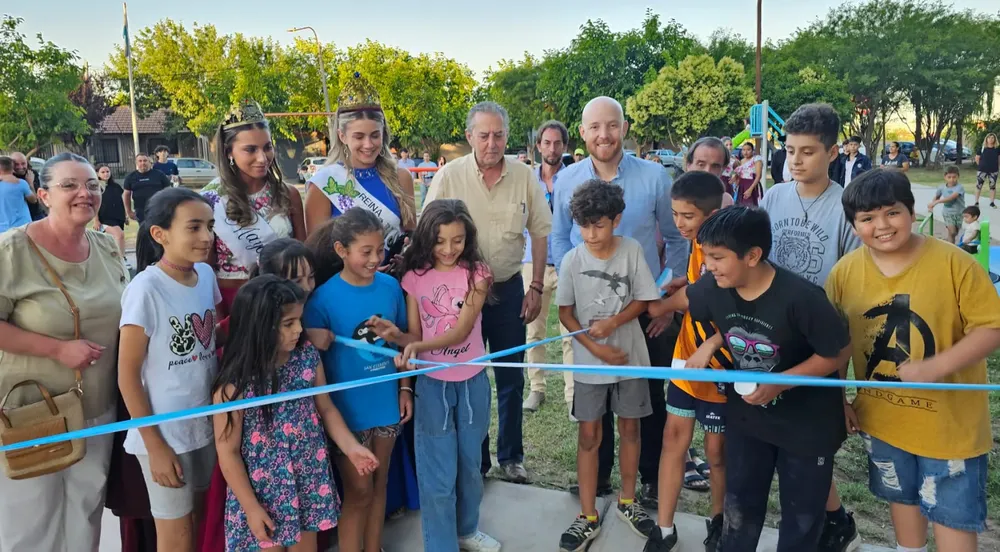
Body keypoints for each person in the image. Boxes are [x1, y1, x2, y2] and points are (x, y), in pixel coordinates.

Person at [830, 169, 1000, 552]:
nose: (882, 226)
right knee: (903, 501)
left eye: (892, 212)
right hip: (884, 422)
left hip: (950, 429)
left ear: (912, 211)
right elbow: (837, 342)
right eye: (867, 218)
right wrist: (838, 398)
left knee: (952, 517)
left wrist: (934, 367)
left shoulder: (955, 264)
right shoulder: (844, 273)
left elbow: (992, 328)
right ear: (853, 225)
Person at [685, 206, 851, 551]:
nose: (708, 265)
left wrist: (780, 382)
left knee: (801, 518)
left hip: (807, 425)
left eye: (717, 257)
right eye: (705, 255)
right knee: (739, 507)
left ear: (752, 255)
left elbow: (835, 353)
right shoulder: (712, 287)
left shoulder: (802, 298)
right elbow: (724, 318)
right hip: (748, 419)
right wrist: (712, 343)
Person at [552, 96, 687, 510]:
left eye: (612, 125)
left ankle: (649, 478)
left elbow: (676, 238)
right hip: (589, 313)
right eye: (595, 127)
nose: (604, 135)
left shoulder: (654, 176)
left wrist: (664, 299)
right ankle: (599, 477)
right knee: (595, 396)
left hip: (645, 310)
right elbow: (559, 237)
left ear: (624, 128)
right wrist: (573, 286)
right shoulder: (566, 179)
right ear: (582, 132)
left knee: (646, 398)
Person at [0, 153, 128, 551]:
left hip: (96, 408)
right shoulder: (12, 250)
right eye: (69, 185)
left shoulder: (106, 247)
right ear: (43, 195)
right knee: (31, 523)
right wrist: (56, 349)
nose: (84, 193)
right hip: (32, 411)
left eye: (91, 185)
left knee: (85, 515)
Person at [424, 101, 552, 484]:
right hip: (462, 297)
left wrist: (536, 286)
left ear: (507, 136)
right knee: (470, 378)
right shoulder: (449, 176)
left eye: (498, 135)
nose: (492, 143)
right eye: (484, 135)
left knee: (511, 377)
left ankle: (511, 457)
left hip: (510, 290)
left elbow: (540, 232)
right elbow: (429, 231)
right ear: (469, 136)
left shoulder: (524, 176)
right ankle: (477, 461)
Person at [370, 198, 501, 552]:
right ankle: (441, 545)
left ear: (468, 238)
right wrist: (398, 337)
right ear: (427, 238)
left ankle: (467, 530)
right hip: (432, 387)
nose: (448, 249)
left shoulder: (478, 274)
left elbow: (460, 332)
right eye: (440, 241)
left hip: (472, 384)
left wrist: (414, 345)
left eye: (457, 240)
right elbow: (415, 335)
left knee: (470, 467)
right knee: (437, 476)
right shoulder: (414, 278)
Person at [758, 103, 862, 551]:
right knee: (785, 438)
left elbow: (851, 290)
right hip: (774, 335)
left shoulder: (846, 207)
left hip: (821, 340)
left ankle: (834, 522)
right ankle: (835, 519)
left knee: (810, 443)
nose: (796, 160)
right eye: (790, 150)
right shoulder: (773, 197)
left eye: (808, 151)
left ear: (832, 152)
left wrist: (840, 383)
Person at [213, 275, 379, 552]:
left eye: (299, 320)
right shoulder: (234, 385)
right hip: (262, 494)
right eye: (288, 323)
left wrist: (352, 448)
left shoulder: (306, 356)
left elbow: (326, 408)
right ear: (259, 325)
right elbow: (227, 452)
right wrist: (251, 508)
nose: (299, 330)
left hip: (307, 480)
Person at [555, 180, 659, 551]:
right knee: (589, 436)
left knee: (631, 428)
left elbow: (644, 300)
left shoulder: (631, 251)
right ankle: (587, 514)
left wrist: (613, 323)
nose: (590, 234)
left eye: (598, 225)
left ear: (616, 220)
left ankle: (628, 501)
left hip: (630, 359)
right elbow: (565, 314)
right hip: (589, 365)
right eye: (583, 226)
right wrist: (595, 348)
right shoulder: (572, 260)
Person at [302, 208, 412, 552]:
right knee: (359, 491)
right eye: (366, 251)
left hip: (386, 402)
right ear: (341, 250)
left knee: (379, 485)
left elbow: (405, 343)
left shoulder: (391, 288)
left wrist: (405, 387)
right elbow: (308, 357)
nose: (376, 259)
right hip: (346, 412)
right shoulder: (322, 299)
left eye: (380, 250)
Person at [117, 188, 220, 552]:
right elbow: (128, 375)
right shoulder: (146, 289)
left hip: (205, 426)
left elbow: (209, 338)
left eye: (209, 226)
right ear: (160, 234)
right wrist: (155, 445)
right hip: (165, 435)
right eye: (193, 227)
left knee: (199, 523)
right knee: (176, 536)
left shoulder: (205, 275)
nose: (206, 236)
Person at [644, 172, 729, 552]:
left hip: (720, 368)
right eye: (675, 214)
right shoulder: (696, 245)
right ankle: (664, 528)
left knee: (717, 452)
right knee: (673, 439)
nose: (679, 223)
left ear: (711, 215)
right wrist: (683, 284)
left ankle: (719, 524)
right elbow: (694, 289)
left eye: (687, 216)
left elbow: (713, 301)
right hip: (684, 359)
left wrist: (660, 307)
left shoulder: (724, 250)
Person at [200, 98, 306, 317]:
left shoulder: (288, 194)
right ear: (229, 152)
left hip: (284, 302)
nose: (262, 158)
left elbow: (302, 257)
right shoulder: (209, 200)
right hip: (233, 304)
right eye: (250, 149)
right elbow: (204, 270)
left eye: (267, 147)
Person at [304, 72, 416, 267]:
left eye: (375, 135)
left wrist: (405, 256)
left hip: (393, 280)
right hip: (344, 283)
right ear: (342, 136)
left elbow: (411, 237)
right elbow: (317, 255)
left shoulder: (401, 177)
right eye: (359, 136)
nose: (368, 144)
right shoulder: (323, 184)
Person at [522, 120, 575, 416]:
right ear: (538, 146)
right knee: (534, 330)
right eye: (547, 143)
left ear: (564, 146)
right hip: (534, 263)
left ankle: (572, 395)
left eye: (557, 143)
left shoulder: (574, 178)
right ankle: (537, 388)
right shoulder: (527, 180)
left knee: (570, 333)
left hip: (567, 261)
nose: (552, 149)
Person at [684, 137, 735, 207]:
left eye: (715, 166)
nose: (707, 171)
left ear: (723, 168)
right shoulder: (674, 199)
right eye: (701, 164)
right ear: (688, 165)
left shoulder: (726, 202)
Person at [123, 153, 173, 223]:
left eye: (145, 160)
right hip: (140, 210)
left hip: (158, 208)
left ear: (149, 162)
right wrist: (129, 211)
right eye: (140, 161)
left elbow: (169, 191)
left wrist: (168, 207)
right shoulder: (130, 177)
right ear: (136, 163)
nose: (143, 163)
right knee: (145, 229)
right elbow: (126, 195)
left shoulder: (159, 174)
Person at [928, 166, 966, 244]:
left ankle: (949, 243)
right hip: (948, 213)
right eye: (949, 177)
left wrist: (937, 202)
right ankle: (951, 246)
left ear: (958, 176)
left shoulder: (959, 187)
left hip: (959, 212)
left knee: (955, 233)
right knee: (952, 231)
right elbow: (937, 196)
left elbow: (951, 198)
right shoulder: (942, 187)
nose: (952, 179)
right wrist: (932, 205)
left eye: (954, 177)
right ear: (945, 177)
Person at [0, 155, 36, 232]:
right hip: (23, 227)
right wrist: (30, 184)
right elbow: (34, 200)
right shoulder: (21, 183)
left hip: (2, 230)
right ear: (12, 169)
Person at [11, 152, 45, 220]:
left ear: (27, 163)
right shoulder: (8, 177)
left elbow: (37, 198)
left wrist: (31, 183)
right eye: (16, 164)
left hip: (36, 214)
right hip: (18, 217)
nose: (20, 167)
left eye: (23, 163)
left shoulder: (32, 174)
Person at [730, 141, 763, 206]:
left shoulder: (756, 160)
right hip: (742, 186)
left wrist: (750, 189)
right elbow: (740, 174)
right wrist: (735, 178)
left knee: (752, 206)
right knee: (741, 206)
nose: (745, 152)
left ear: (752, 150)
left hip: (752, 185)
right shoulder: (741, 161)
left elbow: (758, 176)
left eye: (748, 150)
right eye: (744, 150)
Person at [97, 164, 128, 231]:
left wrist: (125, 216)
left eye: (107, 171)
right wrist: (96, 220)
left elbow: (122, 202)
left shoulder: (116, 186)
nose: (106, 174)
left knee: (119, 236)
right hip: (105, 219)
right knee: (118, 235)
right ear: (98, 174)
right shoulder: (96, 187)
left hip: (119, 218)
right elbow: (94, 205)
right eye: (103, 172)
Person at [973, 132, 998, 208]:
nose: (991, 139)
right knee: (979, 186)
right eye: (989, 138)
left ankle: (992, 202)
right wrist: (981, 165)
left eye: (992, 138)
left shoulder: (997, 149)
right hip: (982, 170)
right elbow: (977, 158)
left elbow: (998, 159)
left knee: (992, 186)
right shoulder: (982, 148)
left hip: (993, 170)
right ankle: (976, 202)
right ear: (986, 139)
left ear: (995, 139)